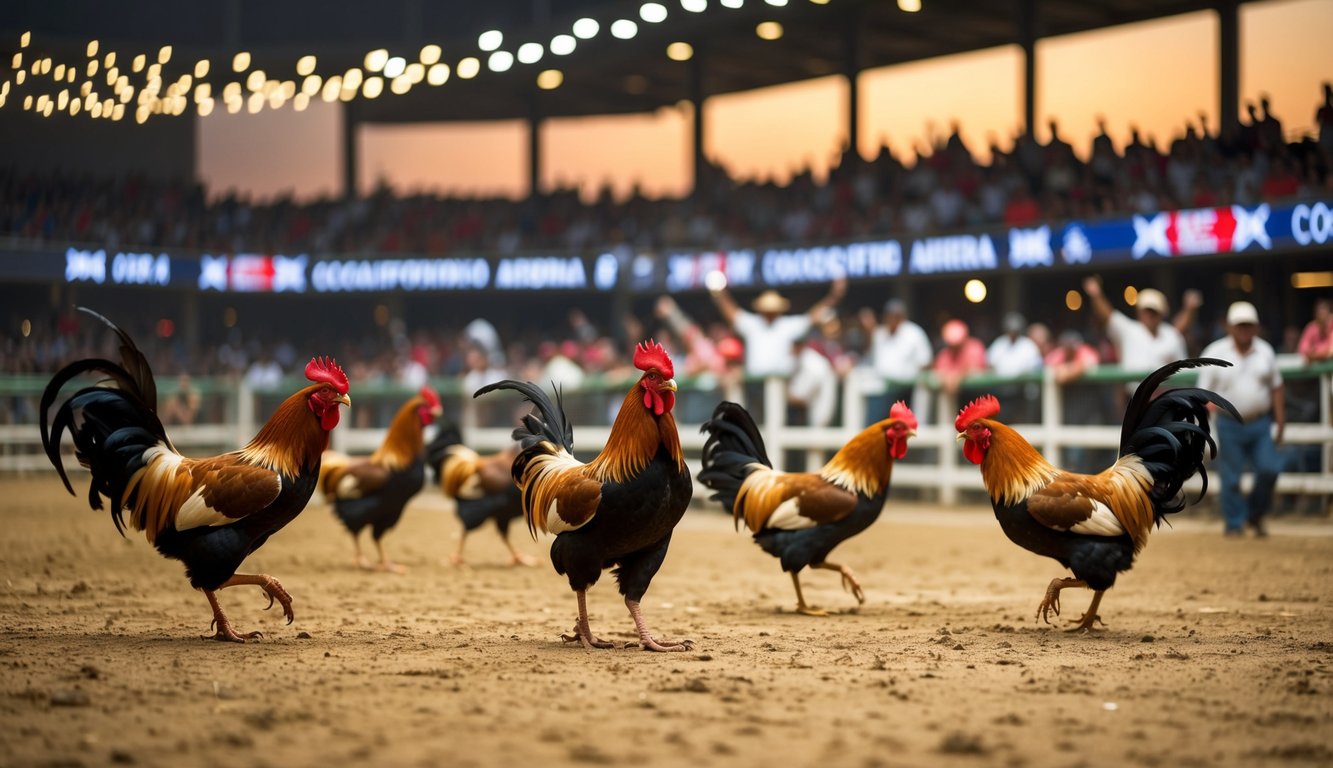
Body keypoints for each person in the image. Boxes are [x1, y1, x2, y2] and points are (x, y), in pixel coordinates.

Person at [1198, 302, 1286, 538]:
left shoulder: (1265, 351)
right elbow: (1203, 392)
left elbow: (1277, 387)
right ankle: (1234, 524)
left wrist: (1280, 420)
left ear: (1256, 327)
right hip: (1228, 422)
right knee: (1231, 477)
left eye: (1248, 325)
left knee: (1269, 469)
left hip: (1259, 422)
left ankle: (1254, 514)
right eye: (1240, 325)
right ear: (1230, 327)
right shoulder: (1215, 352)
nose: (1244, 330)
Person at [708, 276, 846, 379]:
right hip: (754, 384)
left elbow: (813, 316)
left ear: (779, 311)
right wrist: (719, 293)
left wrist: (835, 296)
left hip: (780, 384)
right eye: (767, 310)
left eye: (773, 310)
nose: (770, 313)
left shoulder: (786, 325)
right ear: (761, 310)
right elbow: (731, 313)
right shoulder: (753, 324)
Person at [1082, 277, 1197, 394]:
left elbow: (1182, 326)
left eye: (1154, 311)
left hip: (1167, 400)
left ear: (1162, 313)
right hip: (1136, 399)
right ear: (1139, 311)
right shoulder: (1129, 330)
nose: (1150, 315)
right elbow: (1107, 315)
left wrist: (1190, 310)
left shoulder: (1170, 334)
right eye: (1146, 310)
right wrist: (1096, 294)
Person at [860, 299, 933, 412]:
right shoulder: (880, 333)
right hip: (883, 390)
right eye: (889, 315)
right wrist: (869, 330)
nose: (892, 319)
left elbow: (926, 362)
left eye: (896, 315)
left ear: (902, 316)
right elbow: (868, 355)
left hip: (908, 390)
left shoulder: (914, 332)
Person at [987, 312, 1044, 423]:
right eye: (1010, 329)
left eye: (1015, 330)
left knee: (1025, 424)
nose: (1013, 332)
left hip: (1023, 393)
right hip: (1002, 393)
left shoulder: (1028, 345)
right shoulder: (999, 344)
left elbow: (1036, 369)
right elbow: (990, 365)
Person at [1297, 298, 1333, 364]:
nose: (1323, 317)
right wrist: (1323, 354)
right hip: (1316, 370)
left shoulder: (1331, 326)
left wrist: (1314, 353)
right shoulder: (1311, 328)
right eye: (1320, 313)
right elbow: (1303, 350)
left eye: (1325, 313)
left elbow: (1331, 352)